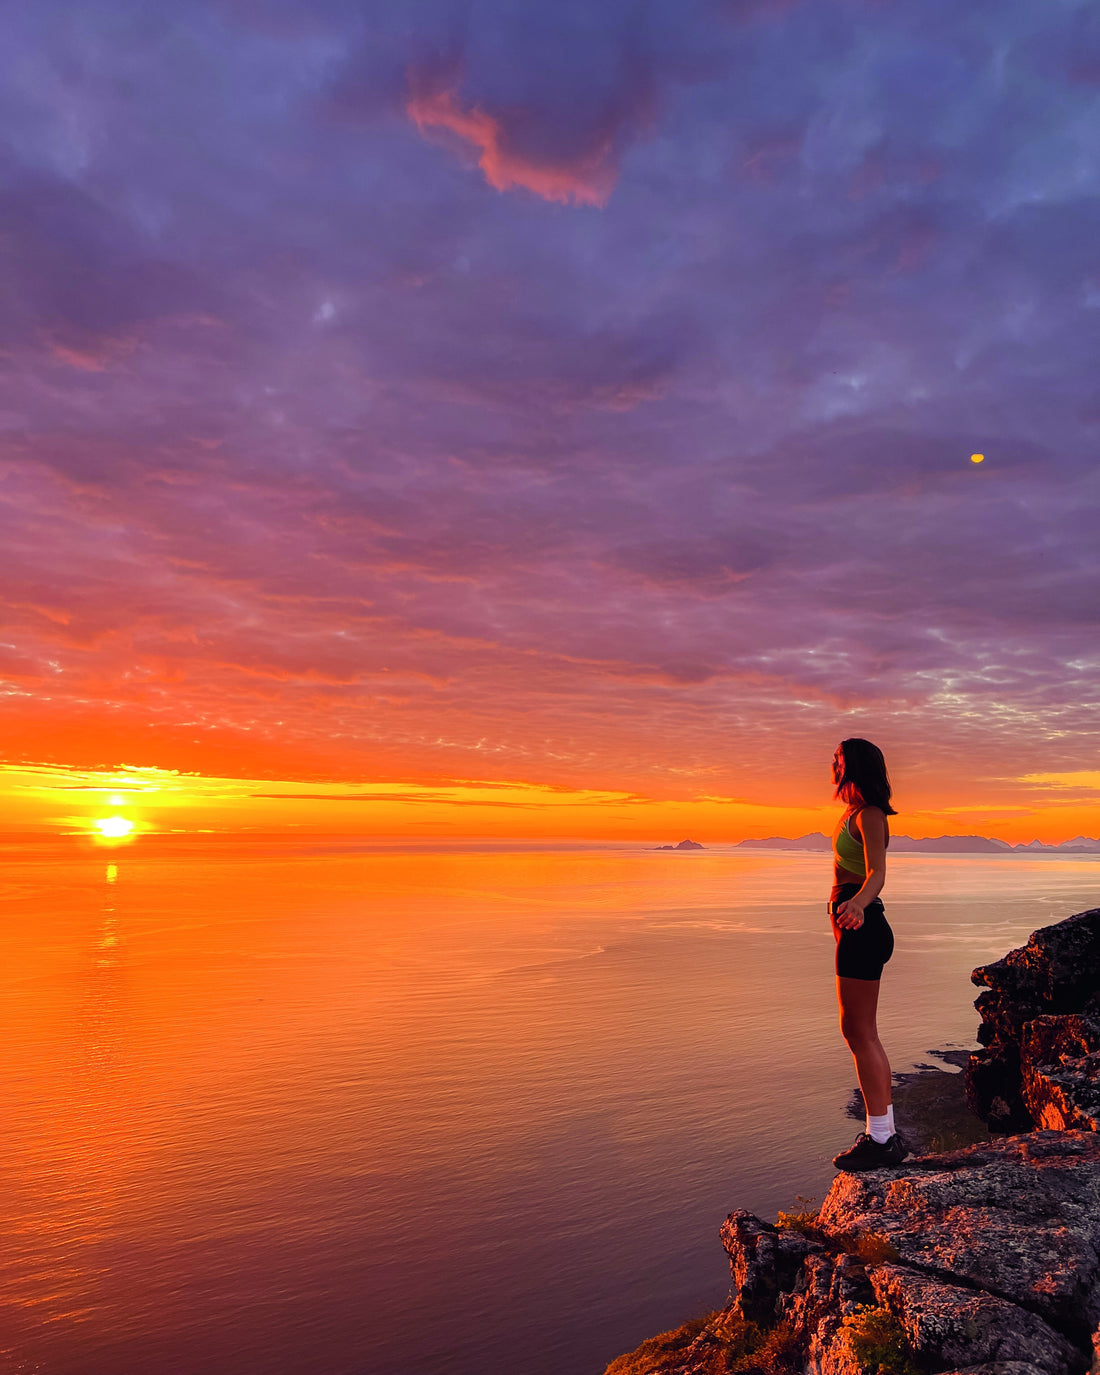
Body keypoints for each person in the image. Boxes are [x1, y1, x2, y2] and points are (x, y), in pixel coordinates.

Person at [828, 738, 907, 1170]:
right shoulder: (853, 812)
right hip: (856, 930)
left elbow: (877, 872)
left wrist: (857, 903)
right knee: (859, 1032)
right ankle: (883, 1134)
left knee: (860, 1033)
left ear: (853, 765)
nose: (832, 763)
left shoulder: (870, 814)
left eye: (838, 758)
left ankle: (881, 1139)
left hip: (864, 927)